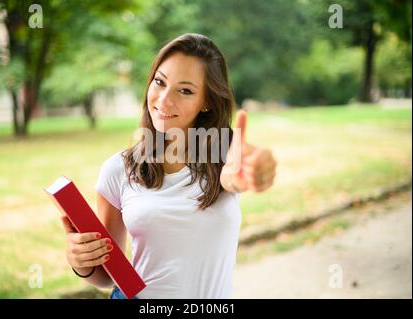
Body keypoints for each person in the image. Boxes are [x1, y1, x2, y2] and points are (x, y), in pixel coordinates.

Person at [60, 33, 277, 299]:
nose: (163, 100)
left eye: (185, 90)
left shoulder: (224, 151)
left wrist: (252, 174)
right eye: (160, 82)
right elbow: (109, 275)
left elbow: (234, 178)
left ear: (207, 101)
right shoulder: (117, 170)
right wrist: (81, 262)